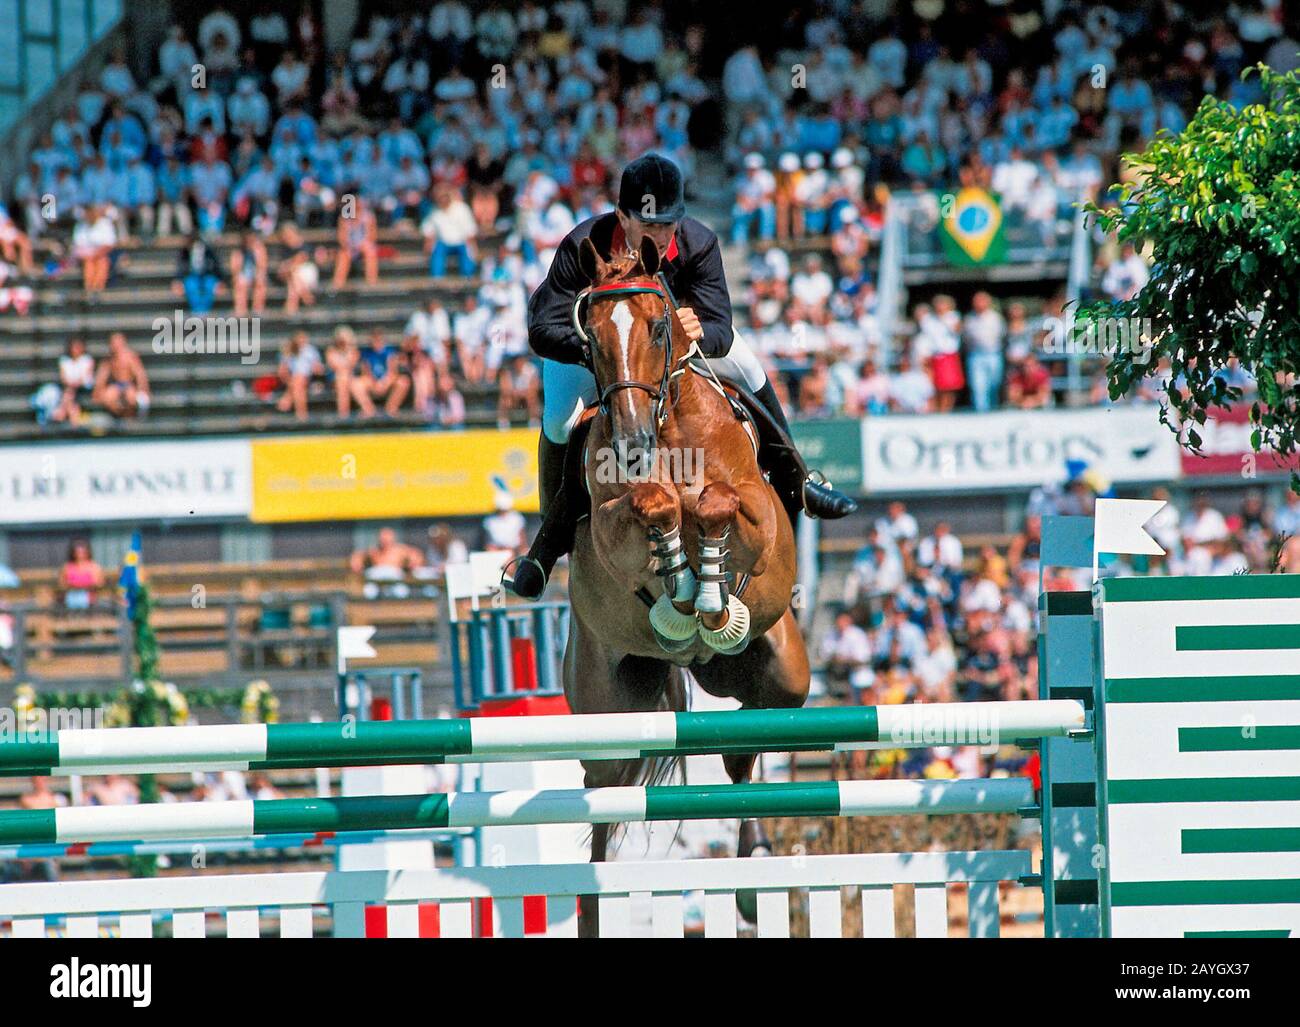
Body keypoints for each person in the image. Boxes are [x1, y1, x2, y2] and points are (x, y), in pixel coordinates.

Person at [509, 154, 856, 599]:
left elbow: (719, 324)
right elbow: (541, 328)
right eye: (648, 227)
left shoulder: (699, 243)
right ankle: (546, 545)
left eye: (668, 226)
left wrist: (696, 333)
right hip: (593, 352)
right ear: (621, 217)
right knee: (560, 419)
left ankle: (798, 480)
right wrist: (602, 351)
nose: (660, 236)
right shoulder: (586, 244)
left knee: (749, 366)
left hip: (677, 350)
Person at [92, 332, 150, 419]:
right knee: (107, 397)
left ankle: (129, 418)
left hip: (128, 384)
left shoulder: (130, 357)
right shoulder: (108, 360)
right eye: (113, 342)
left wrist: (143, 389)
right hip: (116, 385)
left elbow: (140, 374)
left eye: (118, 342)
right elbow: (101, 377)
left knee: (131, 398)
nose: (116, 345)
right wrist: (97, 391)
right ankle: (119, 416)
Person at [52, 337, 96, 424]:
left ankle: (61, 411)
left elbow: (86, 377)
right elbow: (63, 378)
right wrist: (71, 384)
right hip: (69, 389)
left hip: (83, 389)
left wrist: (76, 383)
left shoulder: (87, 360)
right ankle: (73, 418)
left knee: (69, 394)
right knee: (71, 401)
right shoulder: (64, 360)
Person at [60, 539, 105, 609]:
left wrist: (85, 586)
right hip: (71, 598)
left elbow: (99, 583)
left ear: (87, 552)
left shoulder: (94, 567)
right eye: (77, 552)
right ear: (73, 553)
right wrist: (73, 586)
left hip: (90, 599)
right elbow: (62, 584)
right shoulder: (67, 567)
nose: (80, 555)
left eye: (82, 552)